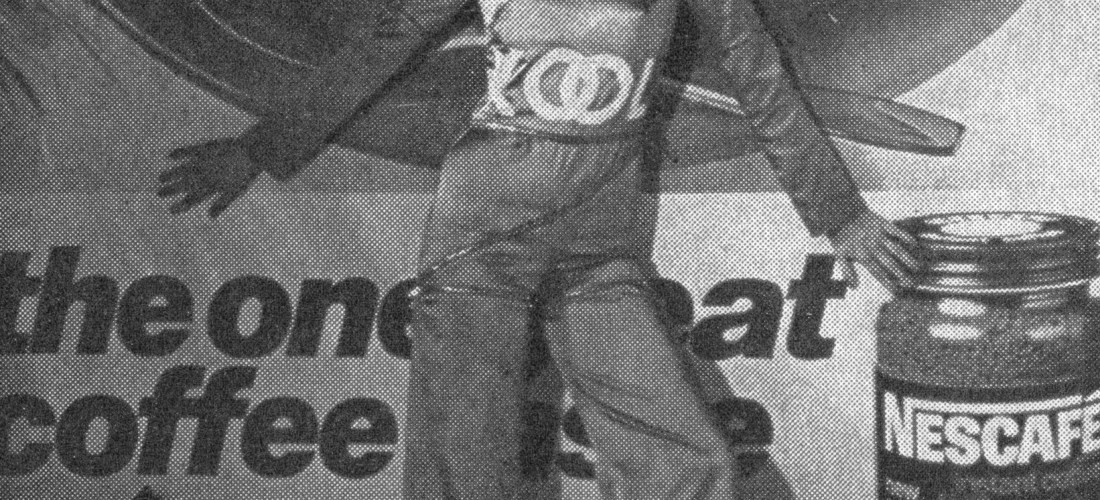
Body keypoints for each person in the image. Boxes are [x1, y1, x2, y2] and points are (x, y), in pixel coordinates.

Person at [157, 0, 918, 497]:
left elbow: (764, 85)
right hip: (480, 239)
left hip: (599, 250)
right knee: (464, 478)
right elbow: (385, 44)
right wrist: (262, 148)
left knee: (689, 466)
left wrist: (841, 216)